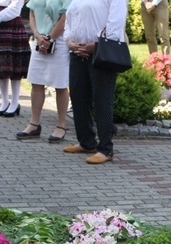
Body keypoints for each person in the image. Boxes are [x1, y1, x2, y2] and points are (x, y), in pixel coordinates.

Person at [62, 0, 126, 164]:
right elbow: (70, 19)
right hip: (77, 52)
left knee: (102, 100)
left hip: (101, 53)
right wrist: (69, 41)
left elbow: (116, 22)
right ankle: (87, 142)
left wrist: (97, 44)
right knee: (78, 97)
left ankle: (106, 149)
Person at [15, 0, 70, 142]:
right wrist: (37, 35)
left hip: (60, 42)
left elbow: (65, 18)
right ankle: (34, 124)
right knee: (36, 82)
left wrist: (50, 38)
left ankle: (61, 126)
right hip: (39, 40)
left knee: (60, 84)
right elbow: (32, 13)